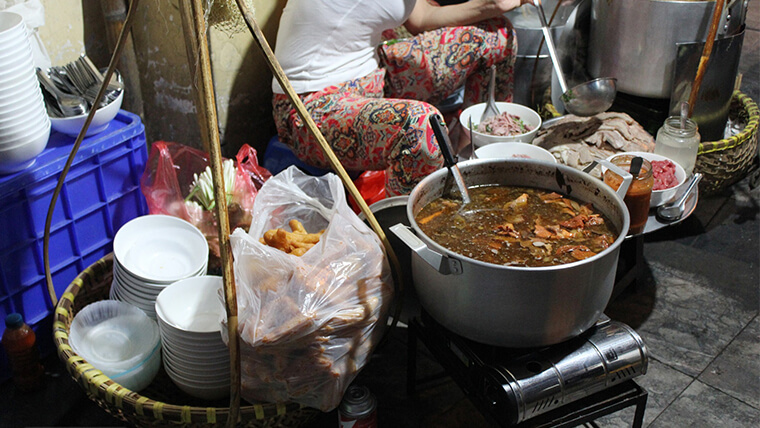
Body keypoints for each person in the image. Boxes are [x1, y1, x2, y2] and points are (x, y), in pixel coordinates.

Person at [272, 0, 530, 196]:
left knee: (495, 34)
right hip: (311, 109)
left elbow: (421, 17)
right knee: (422, 125)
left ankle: (472, 154)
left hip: (375, 77)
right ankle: (405, 241)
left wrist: (496, 5)